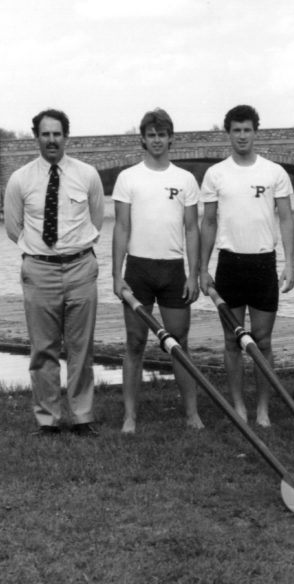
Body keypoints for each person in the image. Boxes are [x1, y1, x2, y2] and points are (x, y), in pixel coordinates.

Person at [4, 109, 105, 436]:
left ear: (66, 137)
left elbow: (97, 218)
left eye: (57, 134)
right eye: (45, 134)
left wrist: (72, 250)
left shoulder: (88, 174)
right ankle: (47, 419)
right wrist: (42, 251)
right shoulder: (20, 179)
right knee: (43, 349)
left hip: (80, 269)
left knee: (81, 348)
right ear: (36, 137)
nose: (51, 140)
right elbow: (13, 227)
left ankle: (81, 417)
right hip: (39, 271)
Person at [199, 105, 294, 427]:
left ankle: (263, 410)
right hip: (230, 263)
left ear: (256, 132)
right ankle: (239, 406)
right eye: (236, 130)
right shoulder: (215, 174)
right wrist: (202, 268)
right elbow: (208, 223)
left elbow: (286, 219)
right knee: (231, 341)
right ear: (228, 133)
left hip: (263, 263)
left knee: (263, 341)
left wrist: (290, 265)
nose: (242, 135)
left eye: (247, 129)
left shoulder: (274, 173)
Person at [111, 108, 203, 433]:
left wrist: (194, 274)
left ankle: (192, 413)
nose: (157, 140)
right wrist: (116, 274)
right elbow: (121, 227)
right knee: (134, 344)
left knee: (179, 342)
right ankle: (129, 417)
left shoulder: (185, 179)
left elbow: (192, 229)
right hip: (138, 270)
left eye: (162, 135)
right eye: (151, 135)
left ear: (171, 139)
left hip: (173, 270)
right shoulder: (128, 178)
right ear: (143, 139)